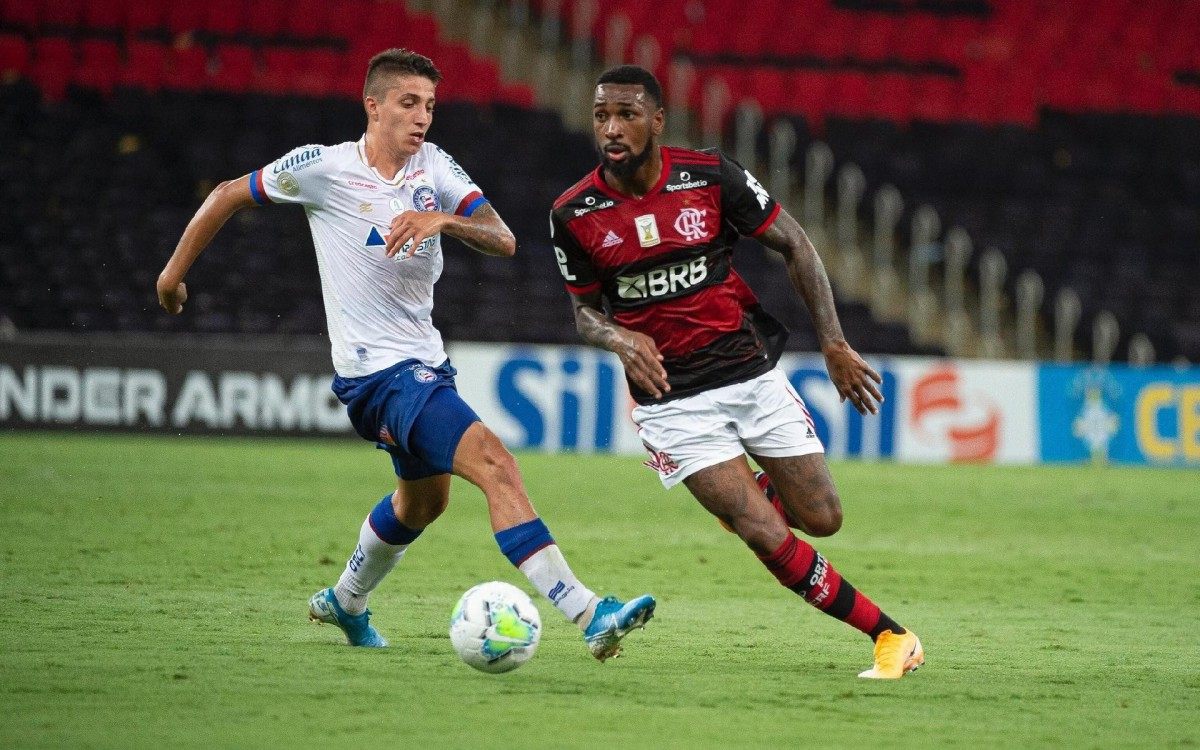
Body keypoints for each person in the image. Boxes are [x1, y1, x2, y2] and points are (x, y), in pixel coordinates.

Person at [156, 49, 654, 661]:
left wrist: (441, 218)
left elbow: (503, 238)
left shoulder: (434, 166)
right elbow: (230, 194)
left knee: (424, 501)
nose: (422, 118)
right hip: (376, 375)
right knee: (495, 464)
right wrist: (171, 277)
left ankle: (345, 600)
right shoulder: (323, 168)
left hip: (423, 364)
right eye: (409, 103)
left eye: (431, 107)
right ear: (374, 105)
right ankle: (588, 611)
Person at [549, 65, 923, 678]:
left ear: (658, 120)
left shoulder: (709, 176)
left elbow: (796, 244)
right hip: (670, 402)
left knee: (823, 518)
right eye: (601, 115)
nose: (611, 128)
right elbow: (585, 314)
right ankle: (890, 636)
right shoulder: (574, 212)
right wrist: (620, 337)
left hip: (750, 374)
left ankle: (747, 496)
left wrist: (832, 342)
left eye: (627, 114)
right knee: (760, 531)